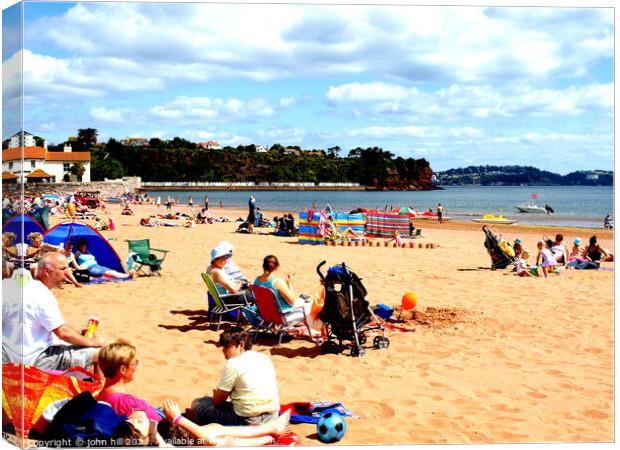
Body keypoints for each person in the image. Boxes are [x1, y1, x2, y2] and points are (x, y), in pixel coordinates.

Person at [2, 252, 103, 370]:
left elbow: (40, 327)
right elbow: (63, 333)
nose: (67, 272)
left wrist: (76, 333)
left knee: (82, 347)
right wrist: (93, 343)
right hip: (36, 359)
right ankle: (103, 388)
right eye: (63, 269)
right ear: (46, 270)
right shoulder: (42, 294)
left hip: (10, 355)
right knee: (100, 353)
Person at [190, 327, 280, 426]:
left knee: (198, 403)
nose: (223, 351)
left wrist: (217, 394)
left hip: (247, 420)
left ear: (241, 345)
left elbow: (217, 400)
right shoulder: (264, 358)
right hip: (273, 416)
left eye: (226, 346)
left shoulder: (233, 364)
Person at [97, 339, 163, 423]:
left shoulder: (100, 396)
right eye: (135, 363)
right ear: (123, 369)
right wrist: (177, 419)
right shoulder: (125, 402)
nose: (136, 367)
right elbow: (143, 432)